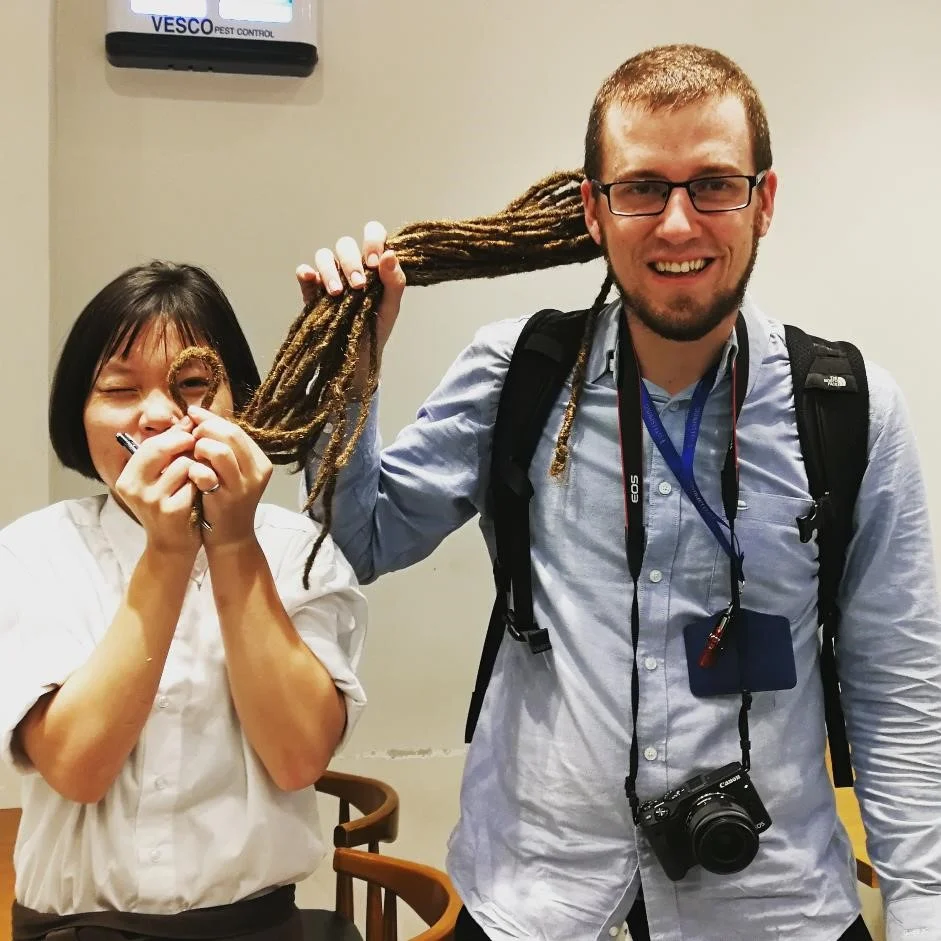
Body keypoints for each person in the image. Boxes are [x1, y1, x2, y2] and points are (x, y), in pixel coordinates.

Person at [297, 43, 941, 941]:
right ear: (592, 210)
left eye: (713, 184)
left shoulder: (848, 409)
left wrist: (920, 910)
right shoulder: (516, 374)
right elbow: (360, 538)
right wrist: (348, 369)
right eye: (641, 187)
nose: (677, 223)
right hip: (537, 901)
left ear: (764, 201)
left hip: (772, 907)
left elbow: (898, 684)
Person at [0, 261, 367, 941]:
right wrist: (167, 554)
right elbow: (77, 768)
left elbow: (298, 759)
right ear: (79, 412)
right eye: (119, 388)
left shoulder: (297, 552)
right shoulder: (32, 553)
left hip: (260, 927)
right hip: (75, 928)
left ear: (241, 401)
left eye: (193, 384)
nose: (160, 414)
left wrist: (233, 543)